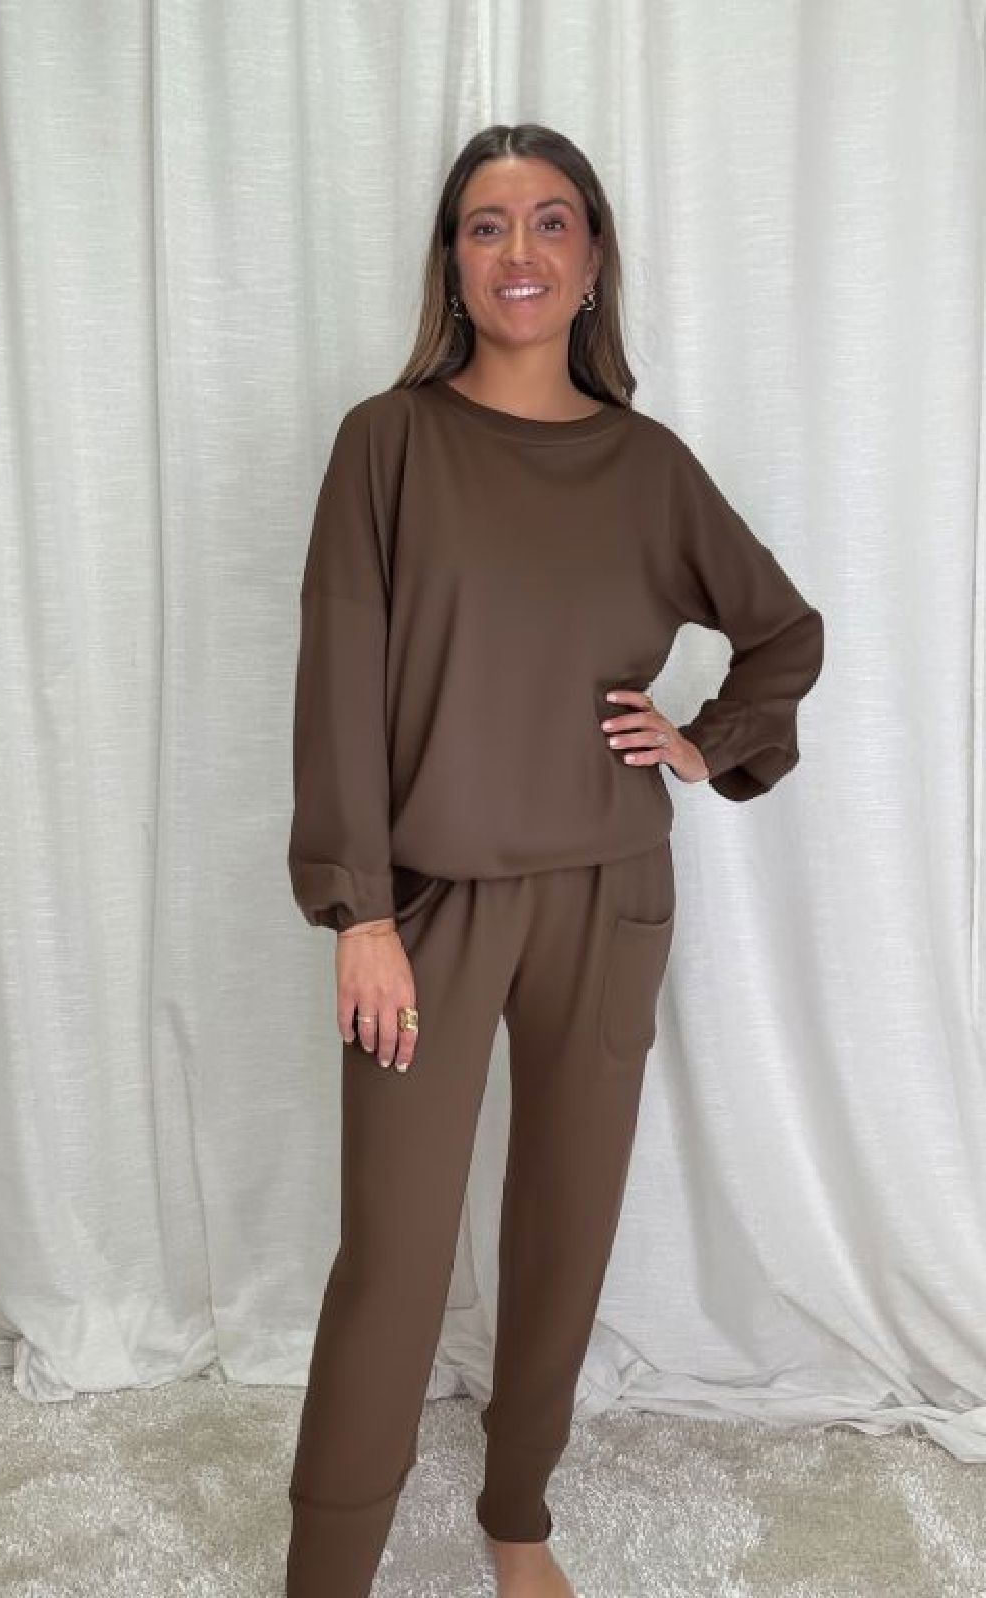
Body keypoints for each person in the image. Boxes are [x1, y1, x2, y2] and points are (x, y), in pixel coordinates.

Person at [284, 122, 825, 1598]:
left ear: (591, 263)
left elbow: (782, 632)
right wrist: (358, 913)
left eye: (548, 222)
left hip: (610, 892)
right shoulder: (388, 443)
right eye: (484, 225)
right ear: (451, 266)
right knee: (392, 1261)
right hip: (428, 909)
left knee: (565, 1228)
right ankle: (325, 1574)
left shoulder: (648, 467)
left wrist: (703, 741)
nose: (516, 250)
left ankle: (515, 1515)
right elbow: (338, 682)